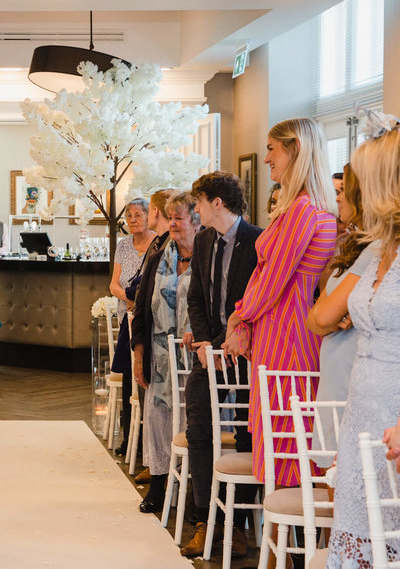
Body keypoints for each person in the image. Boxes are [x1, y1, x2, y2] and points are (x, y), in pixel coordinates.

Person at [223, 117, 336, 489]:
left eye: (272, 148)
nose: (267, 158)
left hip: (288, 333)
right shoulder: (302, 206)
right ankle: (282, 537)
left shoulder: (303, 209)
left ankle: (289, 537)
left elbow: (274, 279)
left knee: (287, 433)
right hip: (281, 328)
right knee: (280, 432)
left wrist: (240, 315)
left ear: (295, 150)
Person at [314, 119, 400, 566]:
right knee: (359, 536)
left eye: (364, 180)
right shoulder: (382, 248)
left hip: (394, 413)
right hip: (362, 408)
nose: (354, 192)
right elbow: (321, 316)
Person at [179, 171, 262, 557]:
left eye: (199, 202)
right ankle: (202, 518)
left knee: (247, 434)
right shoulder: (204, 240)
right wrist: (203, 343)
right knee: (199, 425)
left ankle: (239, 526)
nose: (195, 209)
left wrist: (229, 343)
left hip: (247, 353)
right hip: (212, 351)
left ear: (217, 203)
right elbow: (196, 298)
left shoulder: (259, 240)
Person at [130, 191, 200, 513]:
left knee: (193, 422)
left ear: (195, 221)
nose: (171, 223)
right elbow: (142, 310)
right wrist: (138, 354)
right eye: (169, 217)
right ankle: (159, 486)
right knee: (158, 419)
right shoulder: (159, 258)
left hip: (195, 359)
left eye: (178, 218)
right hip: (160, 362)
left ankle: (192, 494)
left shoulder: (207, 257)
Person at [307, 163, 372, 464]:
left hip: (349, 374)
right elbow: (317, 315)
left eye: (344, 191)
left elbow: (321, 318)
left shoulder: (377, 250)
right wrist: (330, 313)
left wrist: (327, 315)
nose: (338, 199)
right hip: (333, 372)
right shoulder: (352, 247)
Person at [108, 198, 156, 455]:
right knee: (127, 373)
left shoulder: (158, 242)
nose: (134, 219)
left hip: (147, 314)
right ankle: (128, 437)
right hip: (126, 312)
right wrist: (131, 299)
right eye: (129, 215)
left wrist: (141, 301)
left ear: (149, 216)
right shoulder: (123, 245)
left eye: (139, 214)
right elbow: (114, 284)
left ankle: (146, 437)